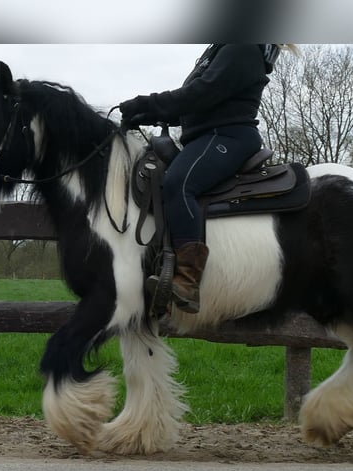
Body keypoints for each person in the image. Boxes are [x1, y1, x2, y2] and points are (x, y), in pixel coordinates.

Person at [119, 44, 287, 314]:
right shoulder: (220, 48)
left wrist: (147, 103)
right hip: (209, 137)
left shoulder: (241, 47)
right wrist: (147, 114)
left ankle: (187, 281)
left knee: (179, 183)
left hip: (227, 137)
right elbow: (191, 104)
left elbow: (202, 93)